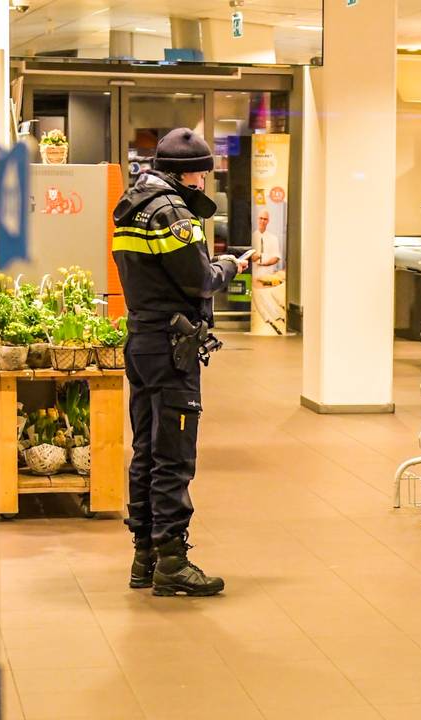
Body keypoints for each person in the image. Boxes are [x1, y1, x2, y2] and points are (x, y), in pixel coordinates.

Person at [111, 127, 249, 597]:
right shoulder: (173, 216)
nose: (204, 183)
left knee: (146, 451)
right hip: (173, 348)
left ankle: (143, 555)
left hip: (142, 340)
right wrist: (233, 266)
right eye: (202, 174)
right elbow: (200, 280)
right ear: (187, 174)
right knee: (174, 455)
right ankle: (172, 559)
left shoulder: (132, 206)